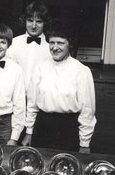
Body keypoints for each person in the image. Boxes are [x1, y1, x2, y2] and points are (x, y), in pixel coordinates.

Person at [23, 22, 96, 153]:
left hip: (68, 129)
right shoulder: (40, 68)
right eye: (52, 43)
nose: (55, 47)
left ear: (70, 44)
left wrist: (84, 143)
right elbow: (32, 103)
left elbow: (87, 110)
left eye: (60, 43)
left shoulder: (81, 71)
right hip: (42, 127)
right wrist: (29, 132)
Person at [7, 0, 53, 98]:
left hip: (41, 101)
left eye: (39, 21)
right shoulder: (13, 44)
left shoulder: (51, 47)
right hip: (15, 99)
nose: (33, 26)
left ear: (45, 23)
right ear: (25, 21)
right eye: (30, 20)